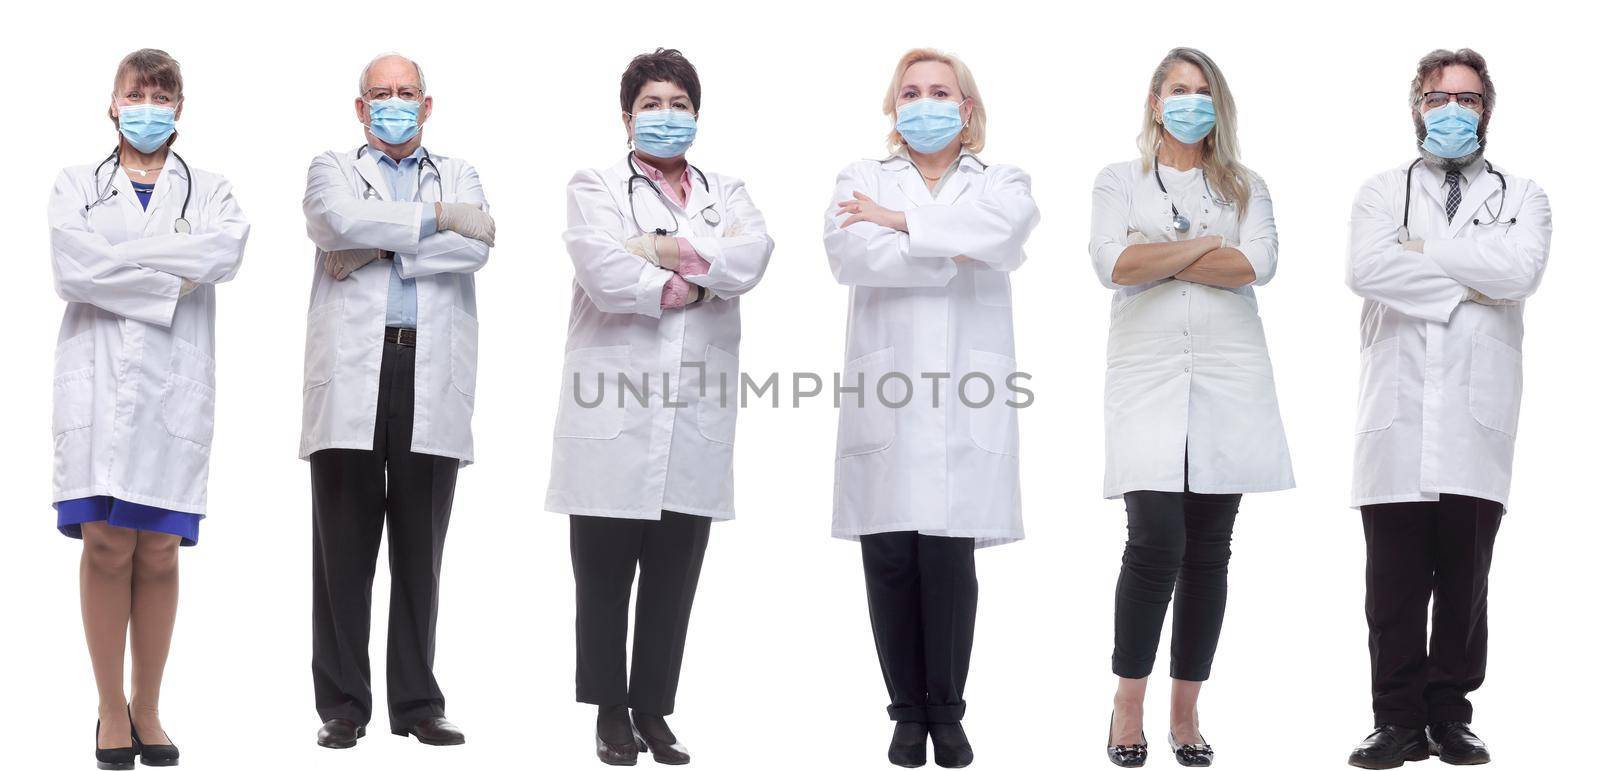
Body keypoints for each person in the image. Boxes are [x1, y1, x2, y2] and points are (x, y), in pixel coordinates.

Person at [545, 48, 773, 766]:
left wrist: (659, 248)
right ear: (626, 117)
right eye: (651, 104)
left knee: (675, 572)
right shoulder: (595, 185)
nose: (665, 116)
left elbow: (756, 256)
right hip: (612, 410)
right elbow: (607, 272)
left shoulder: (727, 190)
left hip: (694, 414)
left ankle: (654, 710)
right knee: (605, 573)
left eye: (678, 104)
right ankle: (611, 712)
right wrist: (703, 275)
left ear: (696, 116)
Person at [824, 48, 1038, 769]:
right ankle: (904, 713)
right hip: (887, 392)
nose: (925, 102)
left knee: (948, 560)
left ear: (967, 108)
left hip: (963, 395)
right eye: (910, 92)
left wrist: (899, 223)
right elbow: (852, 257)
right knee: (889, 558)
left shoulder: (1001, 180)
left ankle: (946, 711)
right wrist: (948, 241)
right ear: (893, 108)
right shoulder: (860, 179)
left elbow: (1005, 238)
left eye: (940, 91)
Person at [1344, 48, 1550, 770]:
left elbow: (1520, 272)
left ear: (1486, 109)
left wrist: (1423, 253)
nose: (1452, 112)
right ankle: (1394, 721)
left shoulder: (1524, 195)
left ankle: (1451, 716)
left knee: (1465, 583)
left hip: (1475, 418)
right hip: (1396, 420)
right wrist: (1471, 272)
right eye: (1438, 100)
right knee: (1393, 588)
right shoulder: (1380, 192)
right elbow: (1365, 268)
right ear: (1416, 109)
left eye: (1466, 100)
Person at [1087, 47, 1292, 768]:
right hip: (1146, 378)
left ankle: (1186, 708)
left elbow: (1257, 263)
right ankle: (1127, 701)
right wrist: (1208, 247)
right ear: (1154, 101)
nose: (1191, 102)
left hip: (1229, 378)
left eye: (1203, 90)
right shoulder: (1120, 181)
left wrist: (1164, 250)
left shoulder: (1245, 185)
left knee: (1209, 550)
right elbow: (1111, 263)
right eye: (1179, 89)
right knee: (1153, 543)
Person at [48, 48, 249, 770]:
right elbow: (72, 270)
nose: (149, 105)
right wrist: (171, 270)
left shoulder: (214, 191)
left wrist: (121, 268)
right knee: (106, 542)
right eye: (137, 93)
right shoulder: (78, 185)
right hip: (98, 385)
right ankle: (109, 706)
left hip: (172, 390)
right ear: (112, 103)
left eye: (163, 95)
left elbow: (224, 253)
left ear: (180, 109)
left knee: (158, 548)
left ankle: (150, 705)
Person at [299, 52, 496, 750]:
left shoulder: (460, 174)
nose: (392, 103)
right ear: (359, 109)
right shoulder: (332, 168)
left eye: (404, 92)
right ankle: (344, 704)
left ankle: (418, 702)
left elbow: (478, 246)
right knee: (343, 546)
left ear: (427, 104)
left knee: (421, 545)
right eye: (379, 94)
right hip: (354, 367)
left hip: (427, 362)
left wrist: (377, 246)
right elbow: (332, 222)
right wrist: (439, 222)